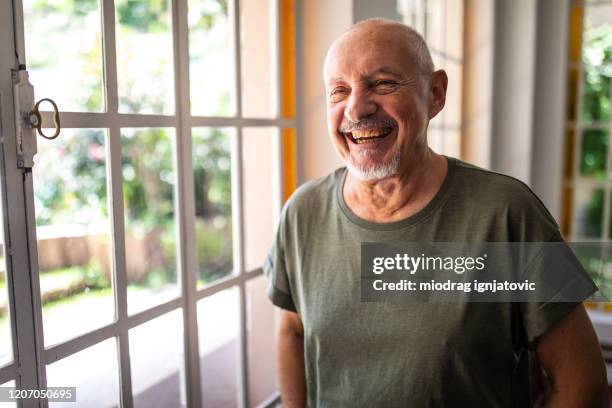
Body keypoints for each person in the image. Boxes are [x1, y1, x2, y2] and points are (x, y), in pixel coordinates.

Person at [263, 18, 607, 407]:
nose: (356, 108)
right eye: (338, 91)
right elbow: (292, 329)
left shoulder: (506, 213)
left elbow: (583, 384)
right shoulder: (302, 213)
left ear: (436, 93)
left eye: (382, 83)